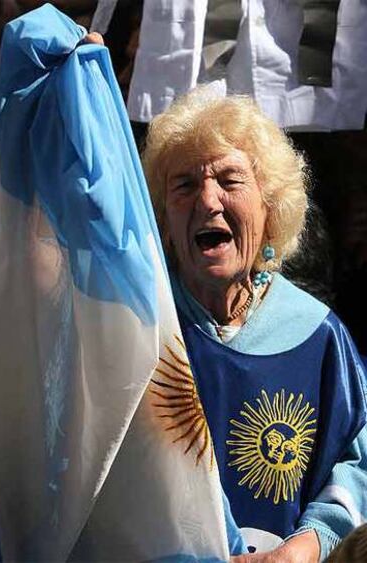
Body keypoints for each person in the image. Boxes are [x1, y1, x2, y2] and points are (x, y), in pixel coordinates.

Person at [142, 89, 367, 561]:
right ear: (163, 219)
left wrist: (310, 544)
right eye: (183, 185)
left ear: (270, 210)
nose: (207, 199)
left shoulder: (319, 336)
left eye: (229, 179)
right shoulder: (141, 329)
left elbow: (357, 459)